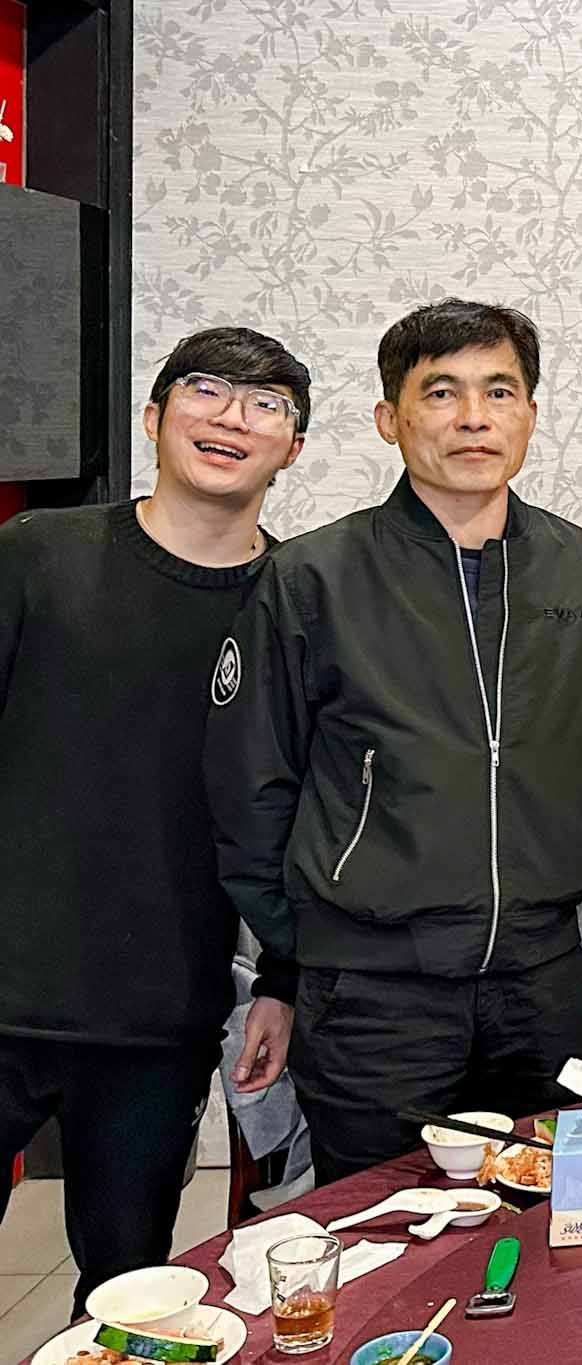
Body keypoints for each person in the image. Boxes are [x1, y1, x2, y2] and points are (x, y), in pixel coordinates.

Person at [207, 300, 582, 1182]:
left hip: (539, 986)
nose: (474, 417)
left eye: (499, 392)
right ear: (389, 418)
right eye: (441, 392)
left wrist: (575, 951)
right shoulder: (313, 577)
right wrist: (308, 950)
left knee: (545, 1225)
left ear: (530, 414)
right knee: (383, 1226)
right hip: (374, 997)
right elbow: (251, 791)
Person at [0, 328, 308, 1313]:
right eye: (206, 390)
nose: (232, 417)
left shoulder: (300, 601)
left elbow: (308, 813)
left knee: (125, 1296)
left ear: (294, 447)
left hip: (162, 1014)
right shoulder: (38, 554)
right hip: (5, 987)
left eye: (266, 404)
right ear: (154, 415)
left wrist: (284, 980)